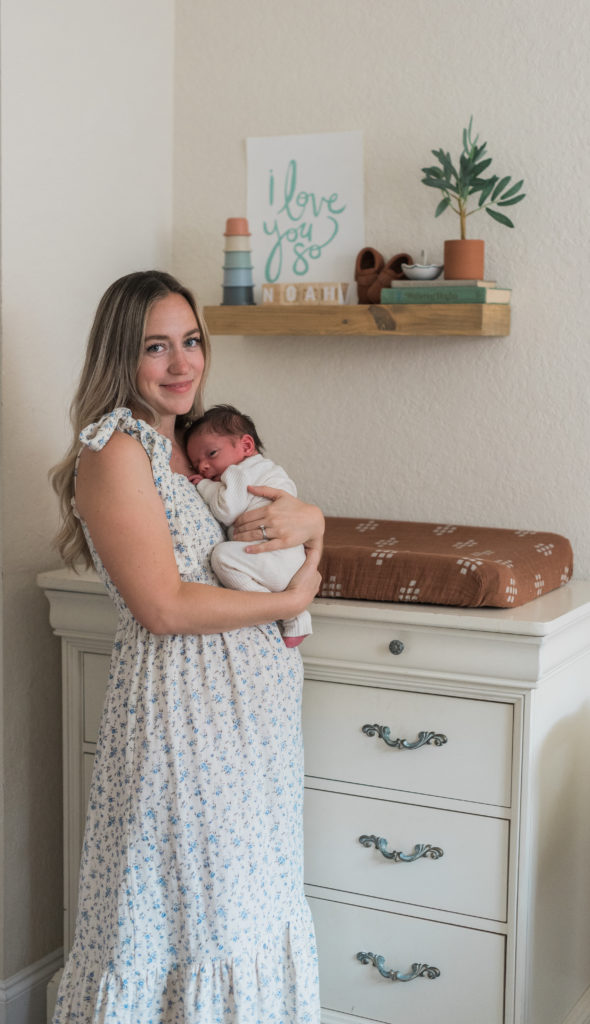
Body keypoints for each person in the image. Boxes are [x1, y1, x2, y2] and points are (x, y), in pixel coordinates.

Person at [50, 269, 324, 1024]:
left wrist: (317, 528)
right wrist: (292, 600)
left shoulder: (203, 454)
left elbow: (286, 528)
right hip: (184, 726)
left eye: (192, 341)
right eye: (156, 348)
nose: (183, 364)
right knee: (195, 924)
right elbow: (163, 606)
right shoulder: (116, 451)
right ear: (120, 358)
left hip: (253, 731)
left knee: (249, 914)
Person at [185, 404, 312, 647]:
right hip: (289, 561)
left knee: (221, 557)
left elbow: (225, 510)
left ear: (245, 446)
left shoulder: (239, 472)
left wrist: (203, 485)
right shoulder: (269, 469)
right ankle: (293, 612)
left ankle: (285, 610)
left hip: (271, 558)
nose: (202, 467)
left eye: (211, 454)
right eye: (196, 462)